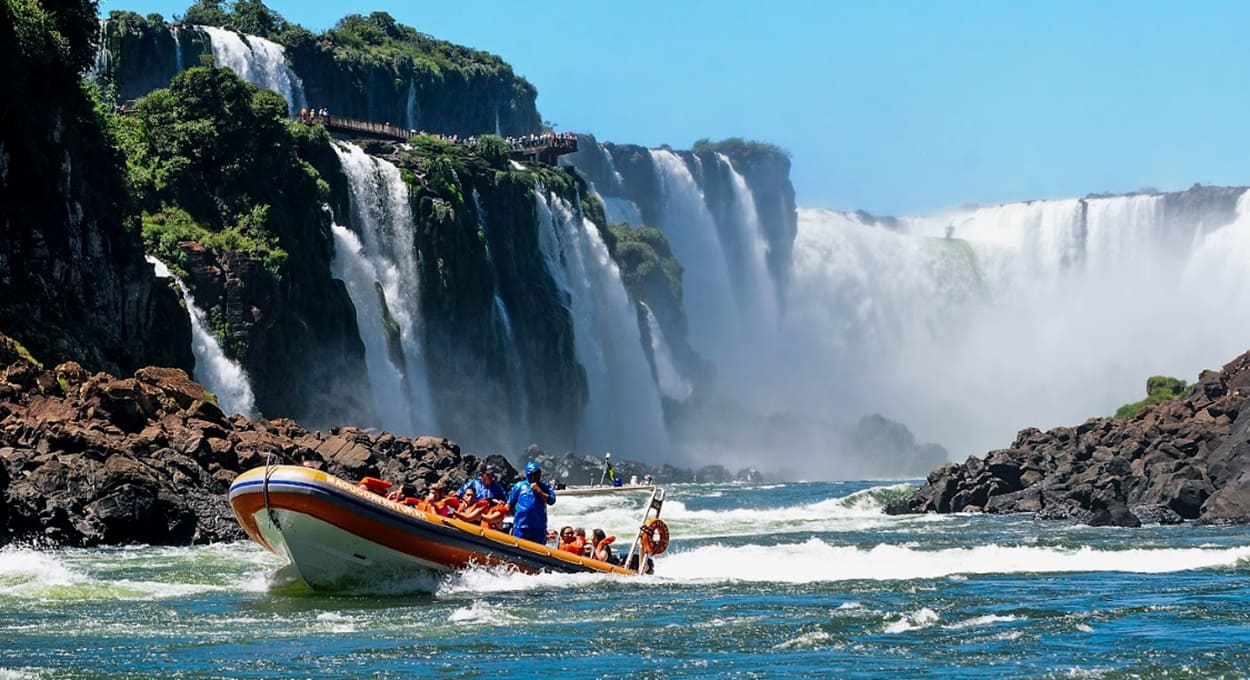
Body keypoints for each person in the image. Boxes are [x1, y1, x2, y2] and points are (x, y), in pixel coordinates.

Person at [507, 461, 556, 544]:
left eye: (537, 473)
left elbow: (551, 500)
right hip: (521, 526)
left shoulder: (545, 486)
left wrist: (539, 491)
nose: (535, 476)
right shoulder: (519, 486)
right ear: (527, 475)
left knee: (539, 551)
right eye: (532, 474)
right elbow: (509, 504)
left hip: (538, 527)